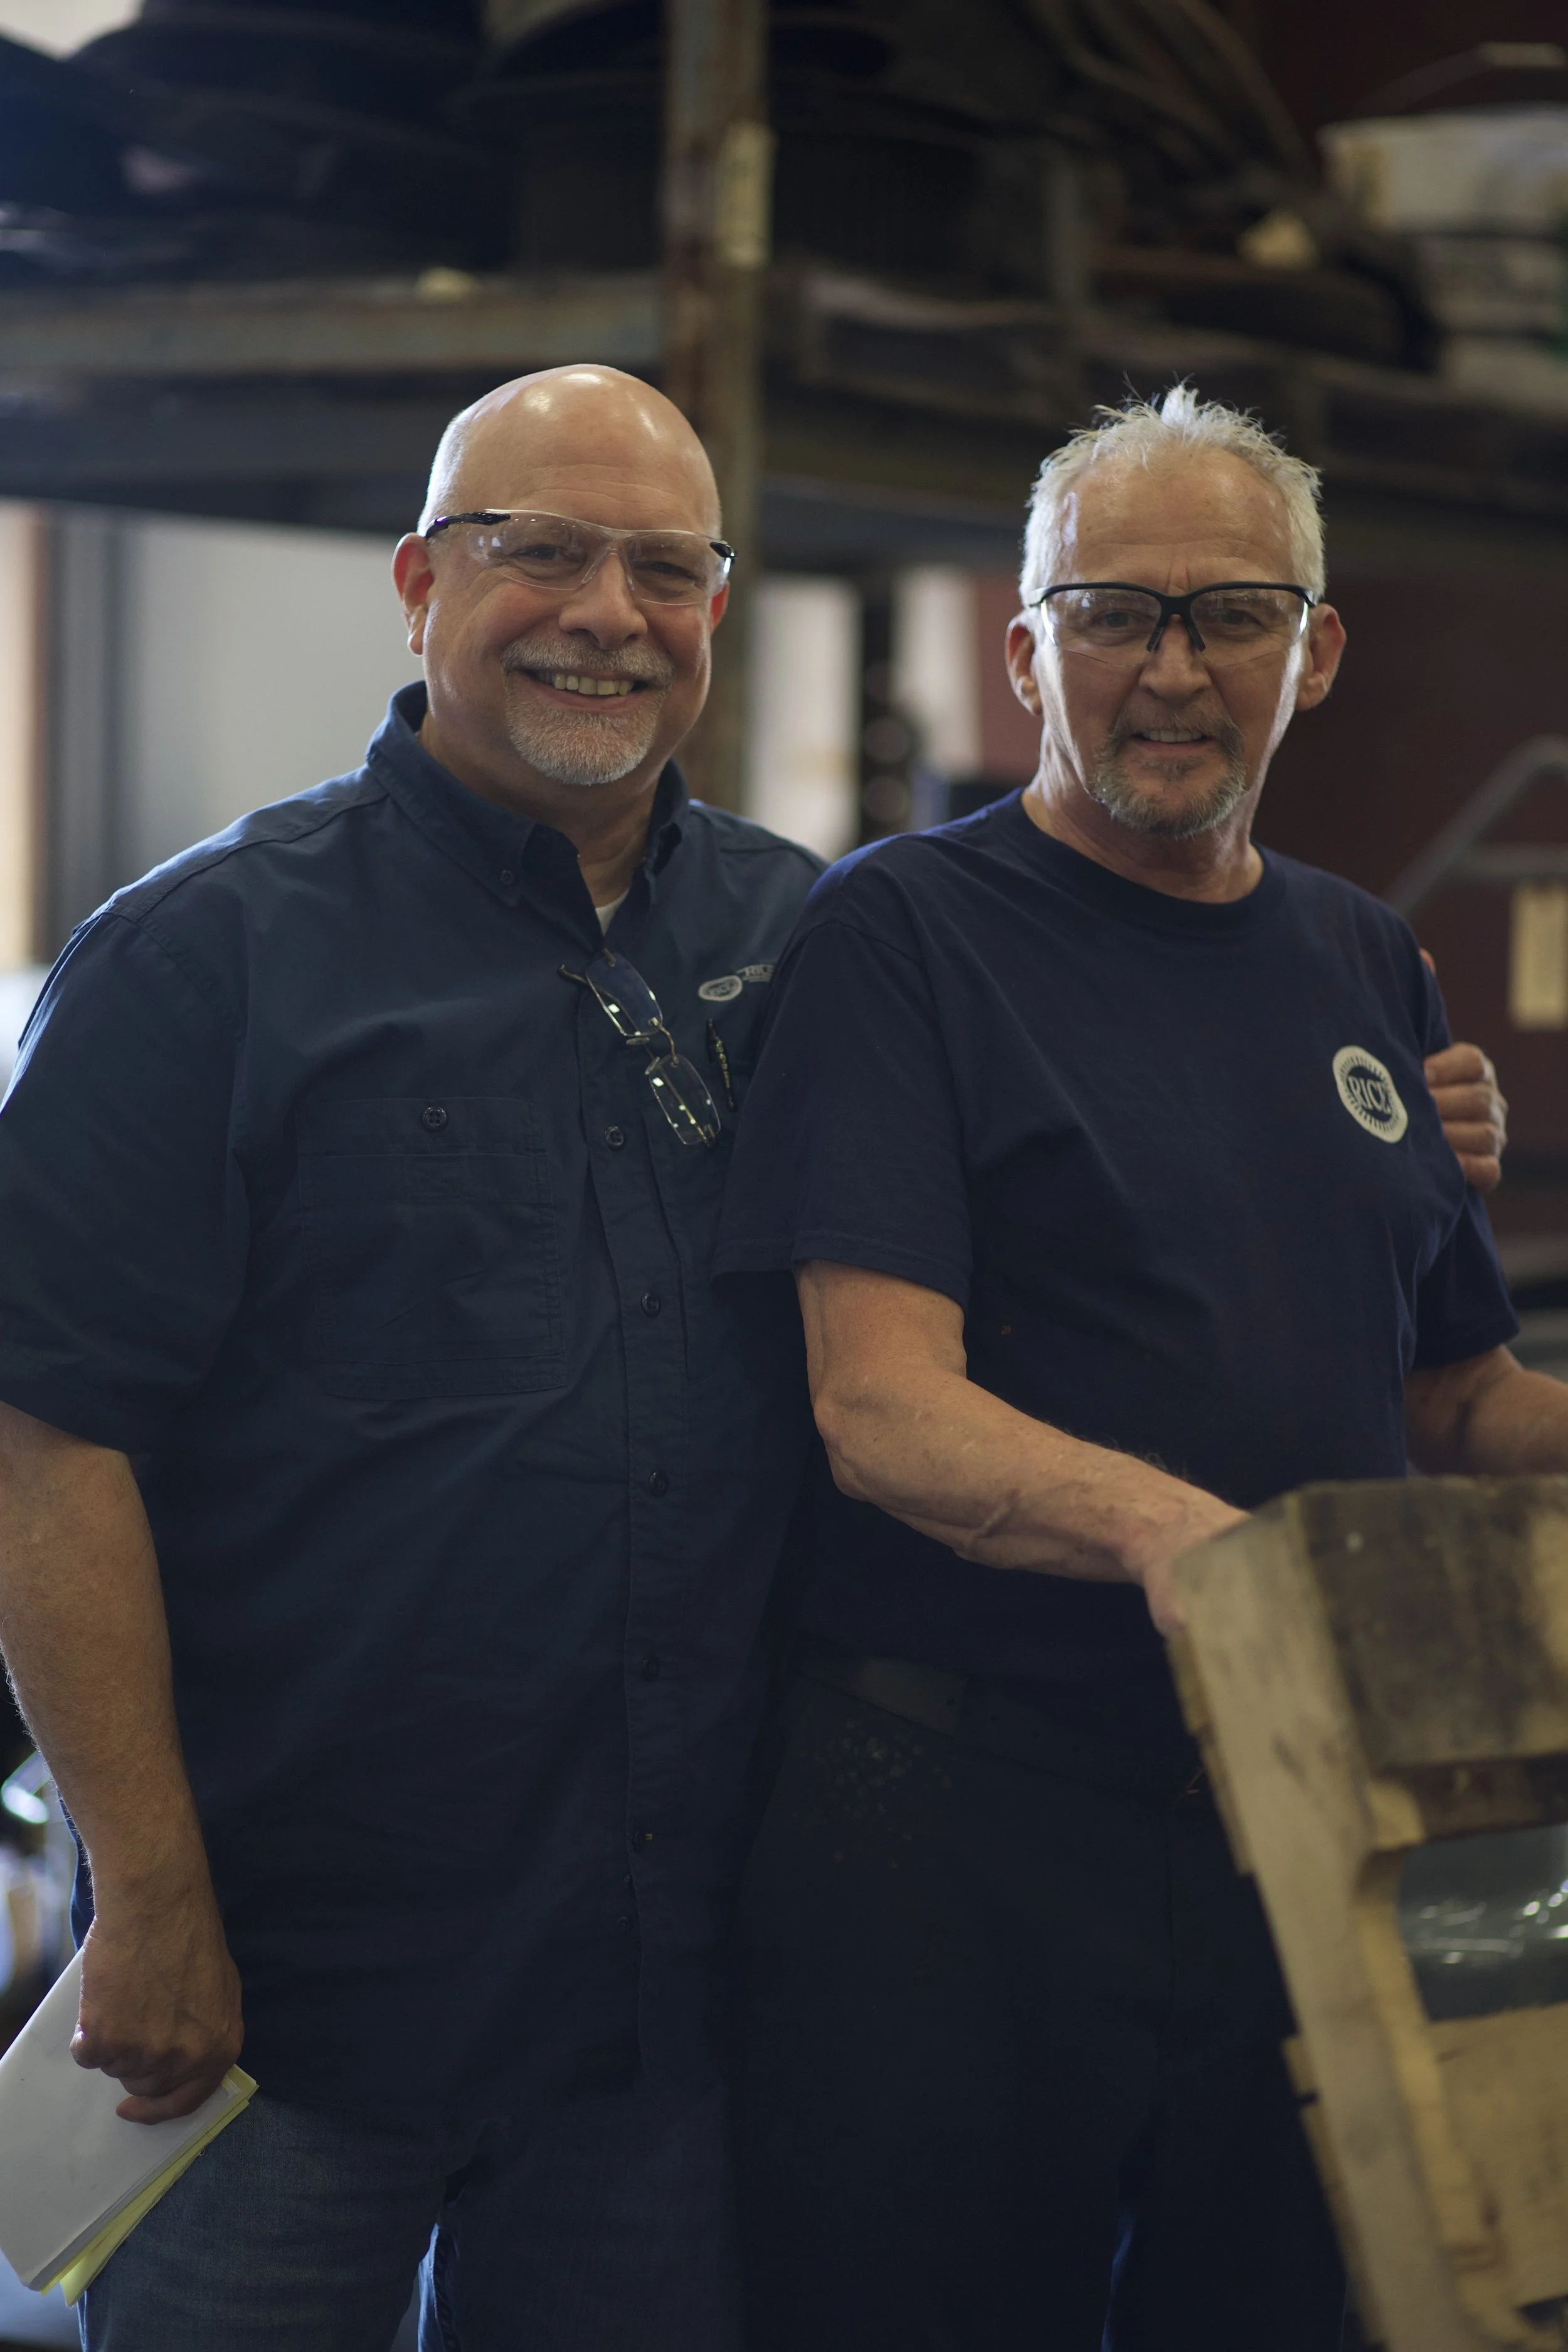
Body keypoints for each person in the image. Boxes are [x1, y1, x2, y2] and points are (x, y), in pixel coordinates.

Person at [714, 386, 1549, 2352]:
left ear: (1314, 652)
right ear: (1024, 652)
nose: (1169, 669)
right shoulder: (906, 934)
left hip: (1305, 1810)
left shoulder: (1368, 962)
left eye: (1228, 614)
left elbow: (1447, 1401)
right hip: (957, 1823)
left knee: (1281, 2306)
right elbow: (877, 1404)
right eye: (1110, 614)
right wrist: (1188, 1542)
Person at [0, 366, 822, 2351]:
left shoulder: (811, 940)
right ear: (417, 582)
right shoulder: (202, 957)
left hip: (671, 1997)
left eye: (660, 566)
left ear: (714, 606)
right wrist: (148, 1888)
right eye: (535, 549)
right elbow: (46, 1440)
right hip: (289, 1993)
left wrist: (1398, 1114)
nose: (602, 611)